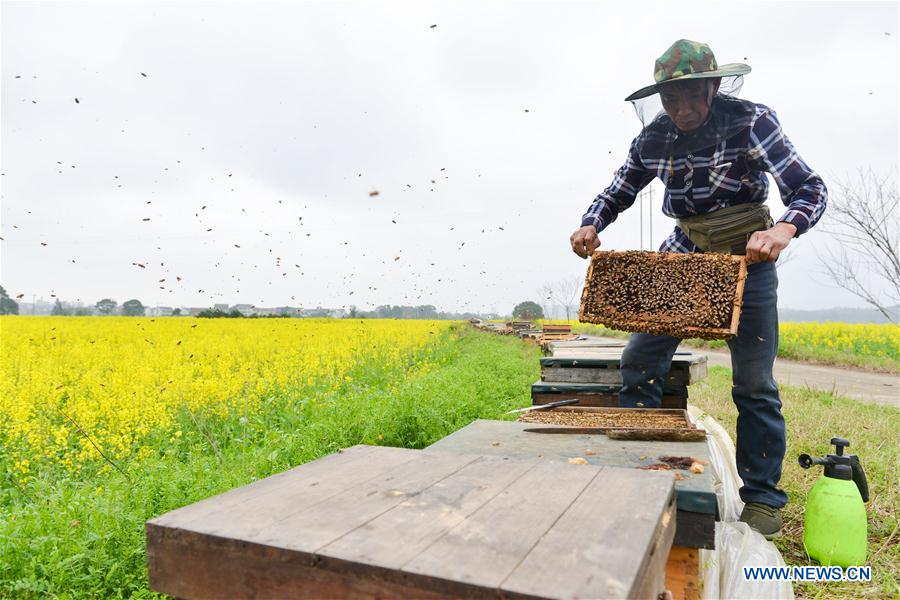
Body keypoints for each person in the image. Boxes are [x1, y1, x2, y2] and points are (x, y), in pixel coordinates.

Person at [569, 39, 827, 539]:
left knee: (754, 384)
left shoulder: (752, 120)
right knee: (639, 360)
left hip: (746, 256)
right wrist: (590, 223)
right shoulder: (655, 137)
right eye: (672, 99)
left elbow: (809, 188)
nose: (683, 109)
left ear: (713, 86)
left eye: (693, 96)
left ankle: (764, 499)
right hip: (685, 250)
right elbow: (620, 187)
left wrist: (782, 230)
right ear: (660, 99)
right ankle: (641, 467)